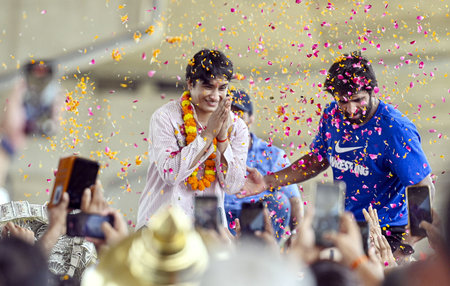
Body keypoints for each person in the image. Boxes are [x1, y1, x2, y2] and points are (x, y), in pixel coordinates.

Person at [240, 51, 434, 250]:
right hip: (345, 224)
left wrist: (407, 245)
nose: (350, 110)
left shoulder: (395, 128)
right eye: (342, 101)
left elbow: (422, 185)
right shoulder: (332, 115)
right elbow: (317, 159)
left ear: (372, 91)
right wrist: (267, 181)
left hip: (387, 229)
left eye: (358, 99)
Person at [137, 49, 248, 229]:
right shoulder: (166, 118)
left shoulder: (237, 127)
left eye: (222, 88)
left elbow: (233, 186)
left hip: (208, 231)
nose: (215, 96)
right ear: (190, 83)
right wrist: (208, 134)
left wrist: (221, 139)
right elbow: (171, 174)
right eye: (208, 87)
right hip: (161, 227)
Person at [224, 89, 303, 239]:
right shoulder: (212, 150)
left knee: (280, 200)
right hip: (222, 219)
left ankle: (263, 249)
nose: (233, 120)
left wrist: (295, 236)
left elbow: (294, 200)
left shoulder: (273, 154)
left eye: (239, 114)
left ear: (251, 119)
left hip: (258, 219)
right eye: (228, 113)